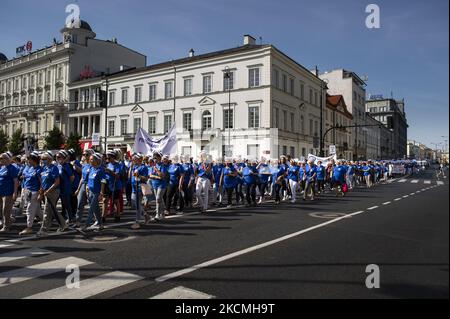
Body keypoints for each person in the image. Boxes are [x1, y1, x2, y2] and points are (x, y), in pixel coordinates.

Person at [38, 151, 67, 235]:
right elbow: (43, 181)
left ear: (50, 159)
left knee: (47, 210)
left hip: (53, 191)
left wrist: (48, 190)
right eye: (41, 159)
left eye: (44, 159)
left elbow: (57, 182)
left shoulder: (54, 168)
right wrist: (41, 191)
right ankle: (63, 224)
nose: (42, 160)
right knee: (52, 210)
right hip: (46, 191)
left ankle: (44, 229)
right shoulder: (44, 168)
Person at [19, 152, 42, 235]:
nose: (28, 161)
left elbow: (41, 182)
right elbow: (25, 177)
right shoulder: (30, 168)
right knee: (37, 209)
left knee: (29, 209)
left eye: (30, 160)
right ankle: (46, 221)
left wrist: (40, 193)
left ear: (34, 160)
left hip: (35, 192)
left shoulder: (39, 169)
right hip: (28, 191)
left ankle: (29, 227)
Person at [83, 153, 105, 231]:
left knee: (91, 209)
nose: (90, 160)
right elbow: (88, 180)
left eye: (92, 159)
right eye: (90, 159)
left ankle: (86, 226)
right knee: (96, 210)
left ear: (97, 160)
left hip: (96, 192)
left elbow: (103, 181)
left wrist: (101, 193)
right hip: (90, 192)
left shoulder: (100, 170)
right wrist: (87, 189)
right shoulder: (91, 169)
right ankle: (101, 224)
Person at [0, 152, 19, 232]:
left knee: (6, 209)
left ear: (7, 159)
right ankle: (8, 220)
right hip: (1, 192)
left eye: (1, 158)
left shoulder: (12, 168)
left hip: (8, 192)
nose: (0, 160)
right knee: (1, 209)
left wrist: (15, 193)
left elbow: (15, 181)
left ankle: (6, 226)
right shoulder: (2, 168)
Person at [74, 149, 93, 227]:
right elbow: (82, 177)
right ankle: (78, 221)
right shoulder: (84, 165)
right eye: (83, 154)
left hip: (90, 186)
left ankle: (95, 219)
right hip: (83, 185)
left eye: (86, 155)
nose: (85, 156)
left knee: (92, 204)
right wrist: (78, 189)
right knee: (79, 204)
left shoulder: (93, 165)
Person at [130, 153, 149, 229]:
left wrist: (139, 176)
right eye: (133, 159)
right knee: (135, 204)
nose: (133, 160)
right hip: (133, 187)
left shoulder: (143, 167)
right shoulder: (134, 166)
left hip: (140, 187)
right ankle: (146, 215)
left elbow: (146, 178)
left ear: (139, 159)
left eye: (134, 159)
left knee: (137, 205)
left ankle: (137, 222)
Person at [56, 150, 75, 225]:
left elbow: (72, 177)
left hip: (66, 188)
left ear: (63, 157)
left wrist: (68, 184)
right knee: (63, 205)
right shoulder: (58, 166)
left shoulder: (66, 166)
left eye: (59, 157)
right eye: (56, 157)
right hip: (59, 188)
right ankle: (64, 218)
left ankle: (70, 219)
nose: (57, 158)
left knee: (67, 204)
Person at [149, 153, 168, 221]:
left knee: (158, 198)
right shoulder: (153, 166)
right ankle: (162, 213)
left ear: (160, 158)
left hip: (162, 185)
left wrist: (156, 170)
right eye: (154, 158)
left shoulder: (163, 166)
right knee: (160, 200)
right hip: (155, 184)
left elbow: (162, 176)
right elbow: (150, 175)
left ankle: (158, 214)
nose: (155, 159)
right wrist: (157, 176)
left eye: (156, 158)